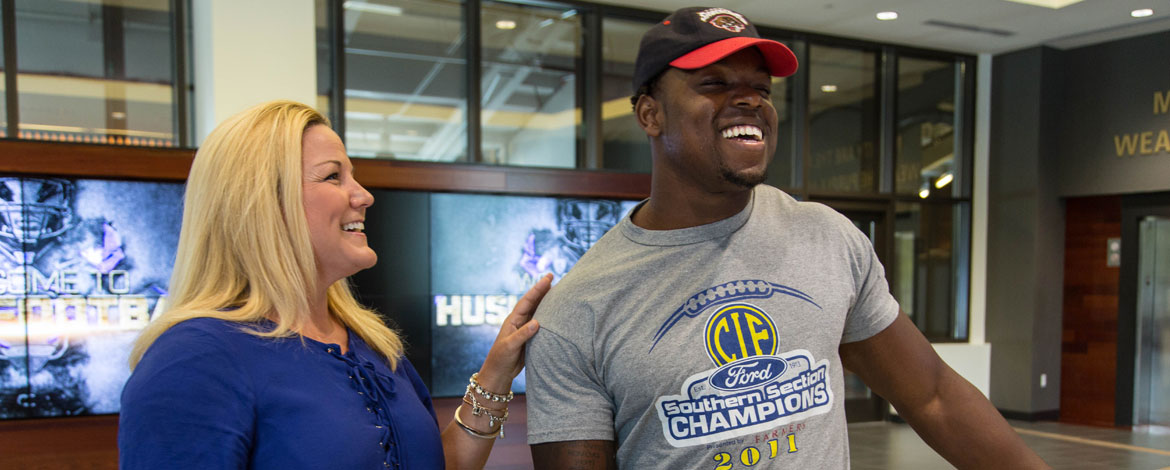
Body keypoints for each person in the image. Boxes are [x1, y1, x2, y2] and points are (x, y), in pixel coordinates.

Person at [524, 7, 1050, 469]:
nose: (749, 101)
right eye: (714, 84)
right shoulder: (578, 310)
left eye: (760, 89)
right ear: (650, 113)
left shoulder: (826, 237)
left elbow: (932, 396)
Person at [118, 100, 551, 469]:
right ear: (265, 202)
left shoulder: (373, 344)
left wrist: (496, 375)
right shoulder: (193, 359)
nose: (363, 195)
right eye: (333, 177)